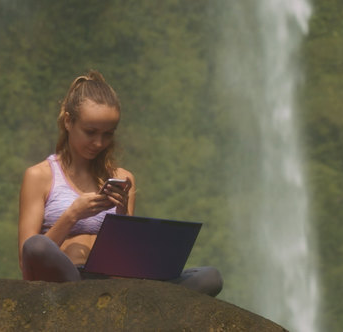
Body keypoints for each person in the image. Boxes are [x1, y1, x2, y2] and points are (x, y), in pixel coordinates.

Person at [17, 70, 223, 297]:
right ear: (68, 121)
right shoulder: (39, 176)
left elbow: (127, 257)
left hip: (115, 282)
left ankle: (127, 300)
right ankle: (98, 299)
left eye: (108, 134)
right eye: (90, 132)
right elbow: (27, 258)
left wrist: (122, 212)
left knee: (209, 277)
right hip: (68, 277)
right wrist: (73, 214)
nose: (98, 142)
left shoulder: (124, 179)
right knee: (36, 246)